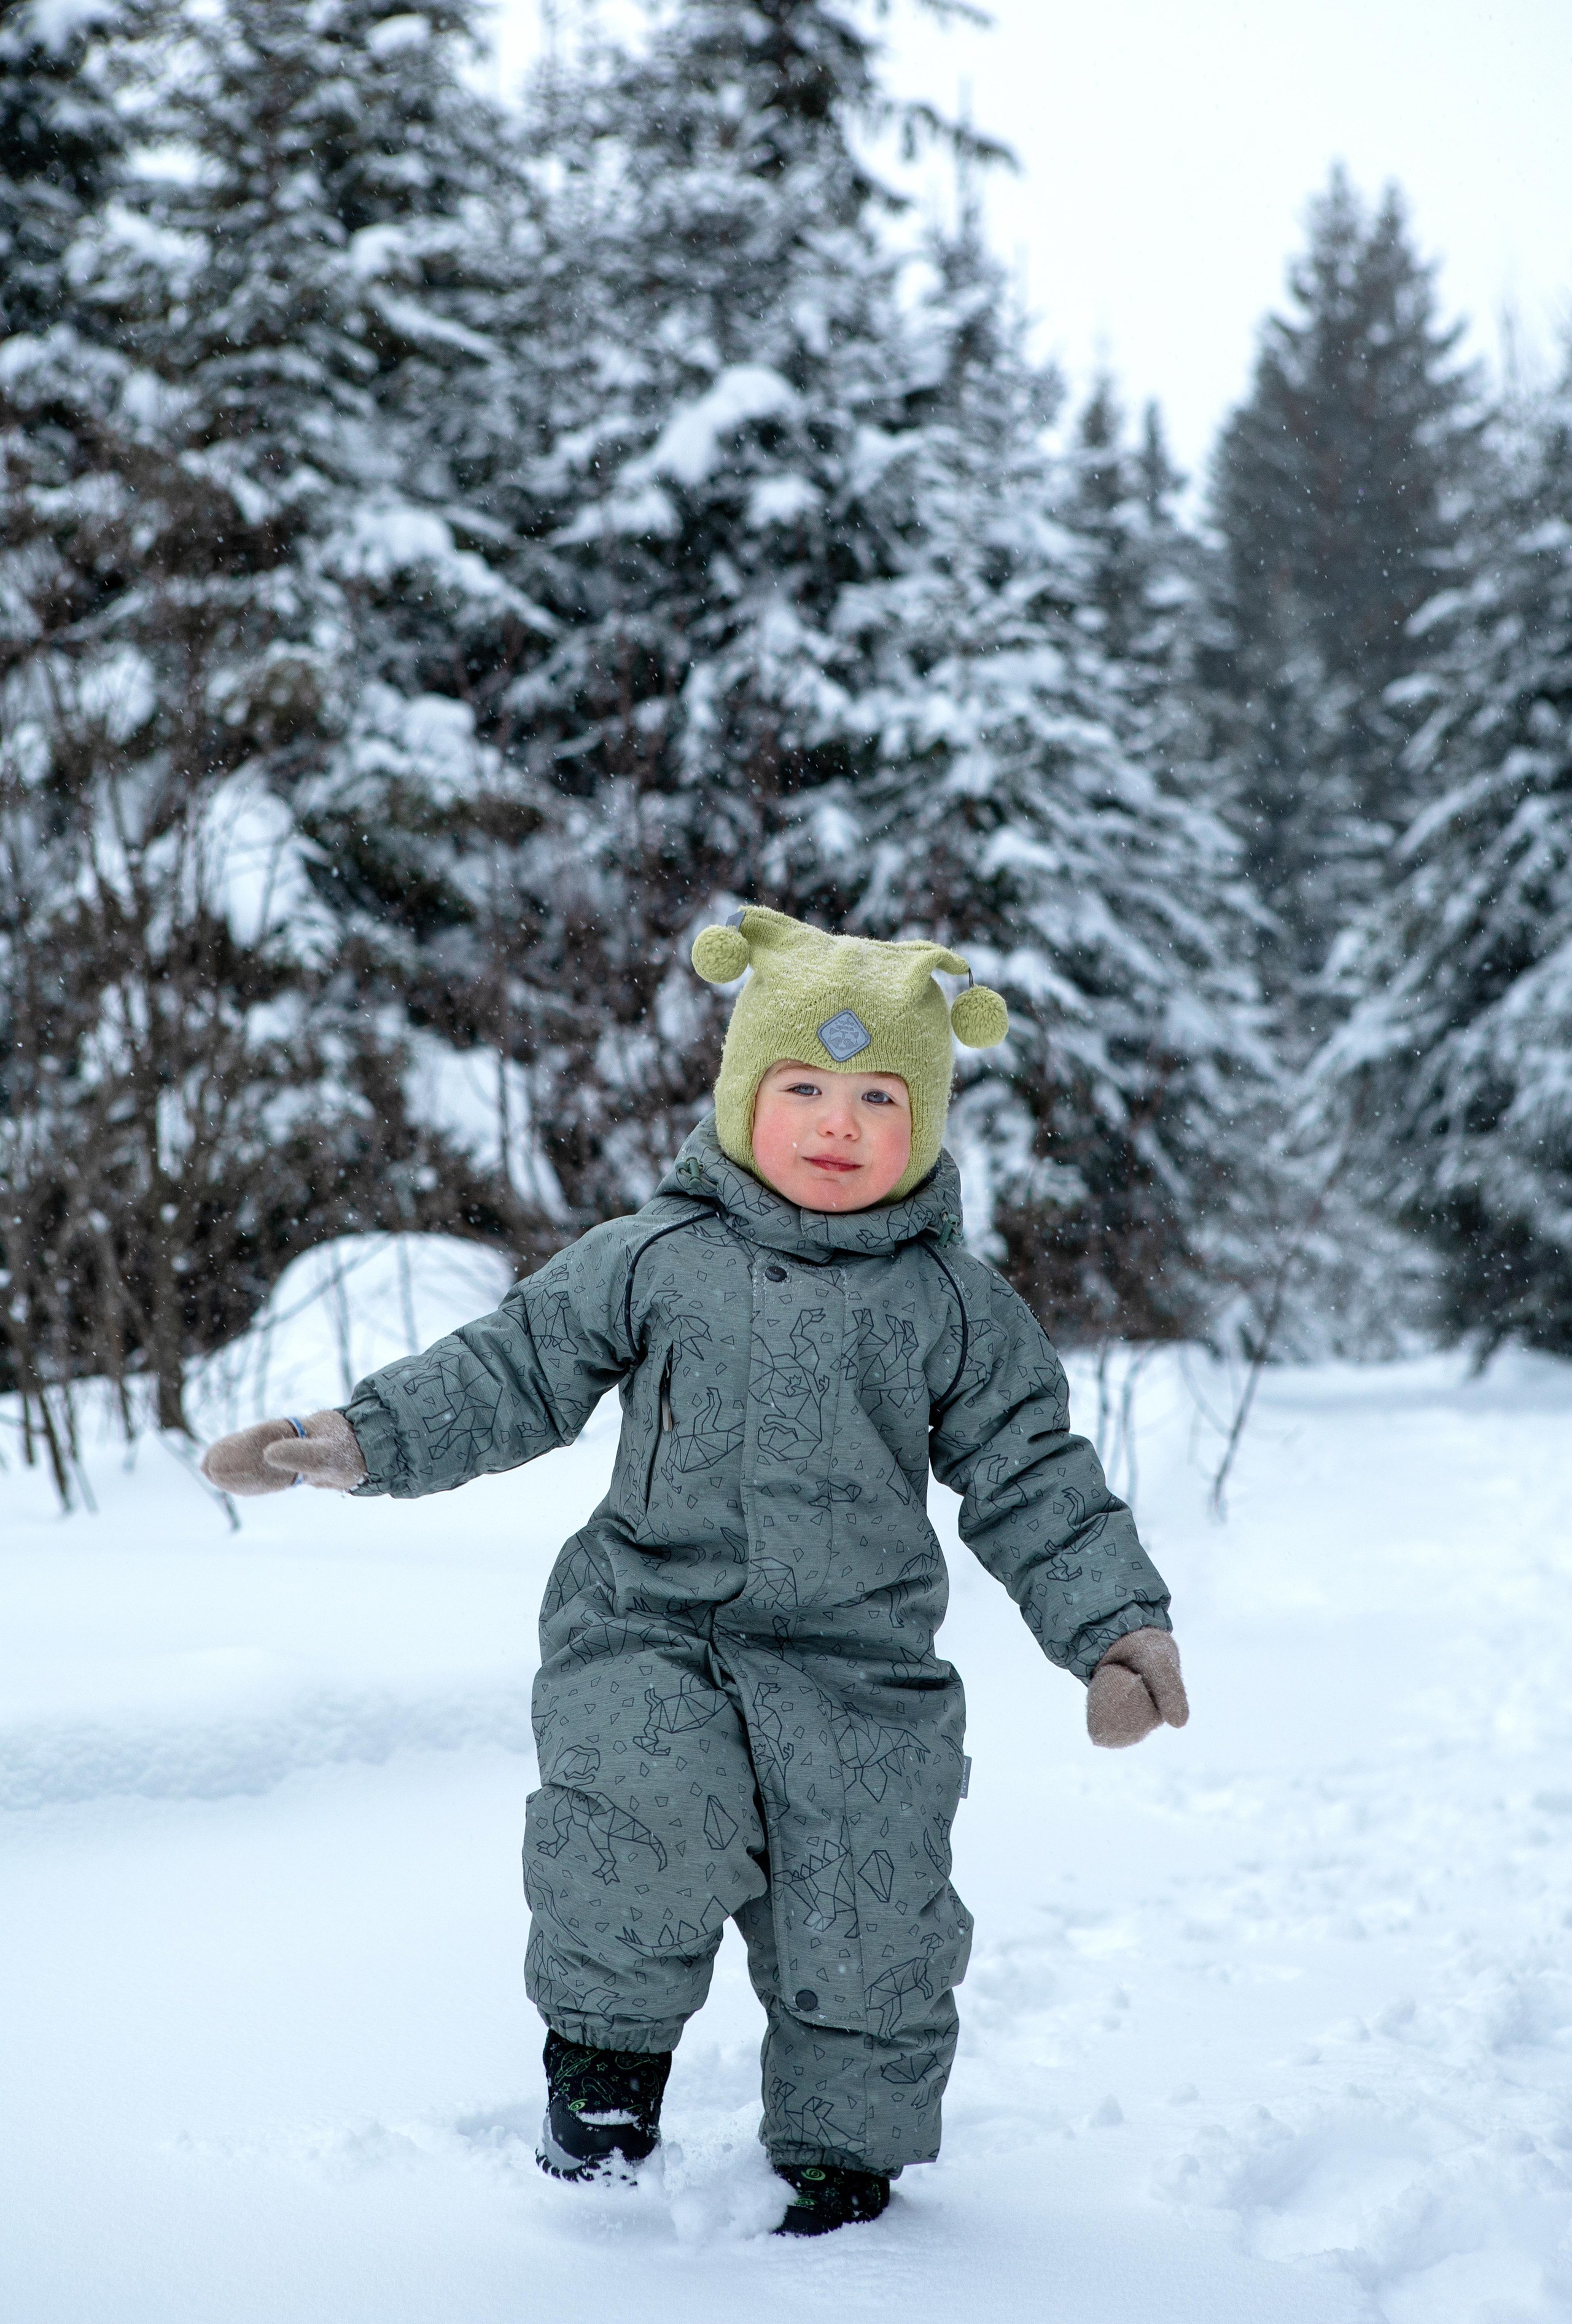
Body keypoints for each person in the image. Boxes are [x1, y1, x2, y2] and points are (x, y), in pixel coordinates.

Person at [202, 907, 1188, 2237]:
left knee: (872, 1904)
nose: (835, 1124)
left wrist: (1116, 1630)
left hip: (860, 1666)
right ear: (741, 1096)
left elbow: (1033, 1477)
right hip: (646, 1628)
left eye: (876, 1097)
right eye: (802, 1088)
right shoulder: (655, 1257)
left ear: (927, 1121)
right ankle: (602, 2094)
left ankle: (847, 2166)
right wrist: (353, 1440)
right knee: (633, 1828)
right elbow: (513, 1370)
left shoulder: (951, 1306)